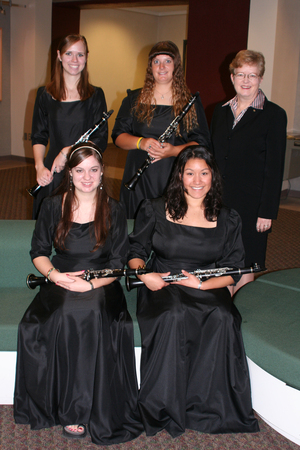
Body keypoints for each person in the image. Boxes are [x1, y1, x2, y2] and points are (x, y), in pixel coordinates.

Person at [14, 142, 142, 445]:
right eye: (80, 170)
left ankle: (80, 407)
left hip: (102, 282)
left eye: (94, 170)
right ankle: (69, 404)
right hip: (60, 278)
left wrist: (90, 284)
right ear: (70, 173)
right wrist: (55, 276)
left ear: (102, 173)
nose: (87, 176)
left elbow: (117, 263)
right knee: (62, 312)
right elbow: (40, 252)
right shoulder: (51, 205)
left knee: (89, 310)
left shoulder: (115, 208)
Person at [128, 145, 259, 437]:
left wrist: (200, 284)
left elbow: (232, 271)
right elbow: (136, 250)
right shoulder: (154, 208)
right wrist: (145, 274)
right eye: (190, 173)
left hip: (206, 284)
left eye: (204, 172)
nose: (197, 180)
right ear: (180, 176)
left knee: (224, 318)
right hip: (163, 282)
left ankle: (208, 408)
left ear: (213, 176)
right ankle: (164, 406)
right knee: (173, 315)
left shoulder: (228, 218)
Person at [210, 50, 287, 292]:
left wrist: (267, 212)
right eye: (240, 74)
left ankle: (240, 319)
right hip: (220, 199)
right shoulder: (219, 111)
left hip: (252, 204)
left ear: (260, 78)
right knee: (221, 260)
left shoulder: (274, 115)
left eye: (252, 75)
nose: (246, 80)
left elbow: (274, 168)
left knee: (244, 265)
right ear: (231, 77)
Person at [112, 40, 211, 218]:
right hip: (138, 176)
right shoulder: (133, 98)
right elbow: (118, 136)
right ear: (150, 66)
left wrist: (173, 151)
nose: (162, 66)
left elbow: (202, 143)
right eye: (156, 61)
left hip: (173, 175)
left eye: (168, 61)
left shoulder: (190, 102)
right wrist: (141, 143)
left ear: (176, 66)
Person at [31, 34, 108, 219]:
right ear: (59, 55)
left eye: (80, 55)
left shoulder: (96, 95)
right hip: (53, 169)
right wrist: (39, 166)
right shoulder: (45, 94)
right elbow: (39, 136)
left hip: (85, 171)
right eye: (69, 54)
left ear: (87, 57)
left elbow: (101, 140)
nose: (75, 60)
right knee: (48, 222)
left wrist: (67, 151)